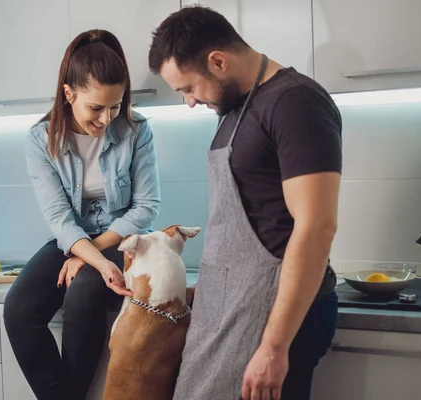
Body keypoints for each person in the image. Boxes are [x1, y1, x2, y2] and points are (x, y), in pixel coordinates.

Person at [148, 6, 341, 400]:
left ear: (218, 61)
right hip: (234, 310)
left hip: (279, 320)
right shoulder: (236, 108)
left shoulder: (296, 102)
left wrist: (274, 348)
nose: (188, 101)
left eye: (188, 87)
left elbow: (316, 227)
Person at [3, 29, 161, 400]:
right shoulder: (40, 140)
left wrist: (92, 258)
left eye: (116, 106)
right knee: (19, 309)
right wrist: (84, 254)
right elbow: (59, 218)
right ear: (69, 93)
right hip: (72, 236)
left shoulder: (138, 131)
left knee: (84, 291)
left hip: (123, 239)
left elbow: (145, 208)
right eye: (96, 107)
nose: (107, 118)